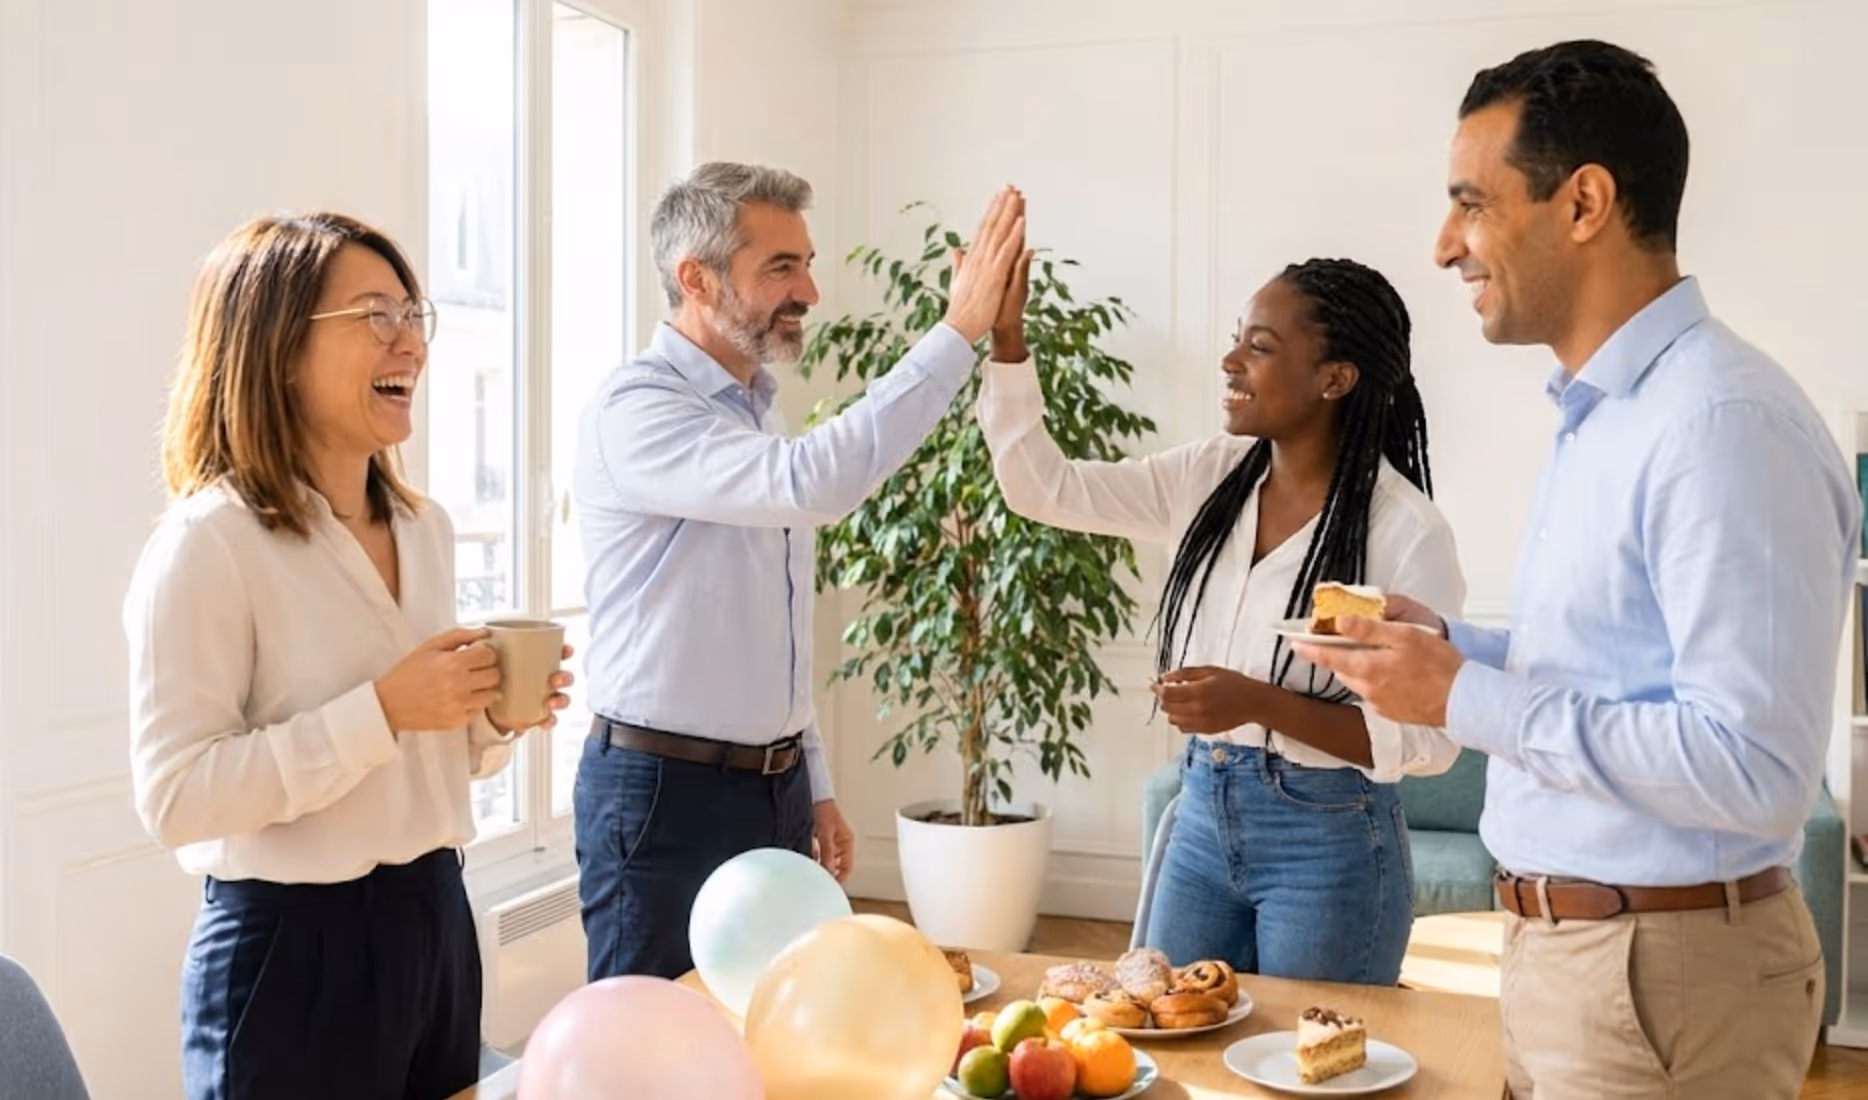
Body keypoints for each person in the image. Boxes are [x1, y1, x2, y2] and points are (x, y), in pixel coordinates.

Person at [1299, 41, 1863, 1099]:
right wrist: (1451, 646)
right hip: (1582, 960)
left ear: (1583, 201)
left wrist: (1461, 695)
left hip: (1663, 974)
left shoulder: (1719, 424)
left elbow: (1747, 762)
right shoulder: (1603, 414)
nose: (1442, 245)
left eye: (1470, 202)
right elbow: (1617, 664)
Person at [125, 212, 574, 1100]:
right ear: (280, 350)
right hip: (291, 949)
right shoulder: (209, 544)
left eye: (414, 315)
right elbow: (175, 798)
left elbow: (420, 757)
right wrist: (388, 709)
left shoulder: (426, 527)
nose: (410, 341)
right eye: (376, 316)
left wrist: (487, 718)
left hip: (435, 917)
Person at [571, 163, 1027, 980]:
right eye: (781, 266)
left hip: (766, 788)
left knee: (777, 1027)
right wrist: (957, 331)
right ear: (696, 278)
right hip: (661, 796)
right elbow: (815, 482)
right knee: (655, 1042)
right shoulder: (637, 408)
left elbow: (767, 627)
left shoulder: (754, 410)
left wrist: (807, 778)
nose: (810, 290)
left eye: (806, 264)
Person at [979, 251, 1465, 984]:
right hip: (1202, 817)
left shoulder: (1405, 530)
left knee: (1309, 1066)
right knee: (1172, 1039)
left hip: (1328, 843)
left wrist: (1258, 702)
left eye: (1260, 346)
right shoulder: (1206, 475)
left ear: (1335, 379)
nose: (1230, 359)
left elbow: (1428, 742)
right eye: (1239, 337)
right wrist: (1008, 343)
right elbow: (1042, 487)